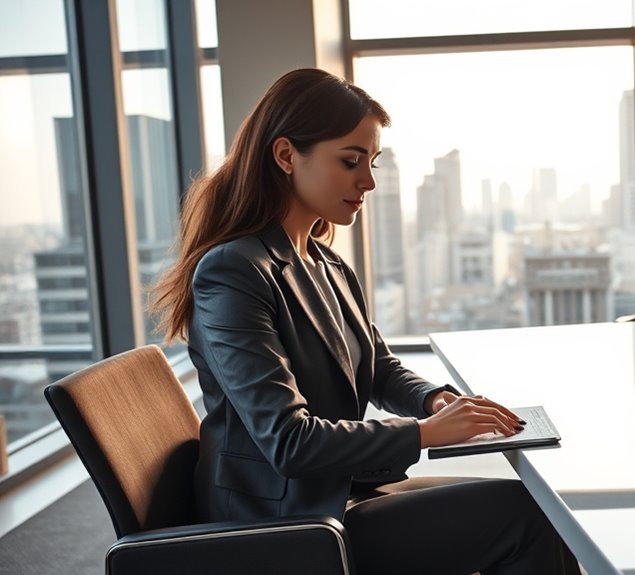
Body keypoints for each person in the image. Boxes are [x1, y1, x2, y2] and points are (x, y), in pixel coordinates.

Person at [150, 68, 581, 575]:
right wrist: (424, 432)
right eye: (351, 161)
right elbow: (288, 442)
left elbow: (376, 366)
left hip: (338, 493)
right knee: (524, 516)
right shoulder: (232, 272)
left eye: (372, 162)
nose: (369, 182)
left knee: (528, 504)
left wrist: (433, 399)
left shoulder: (325, 262)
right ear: (287, 155)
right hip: (284, 525)